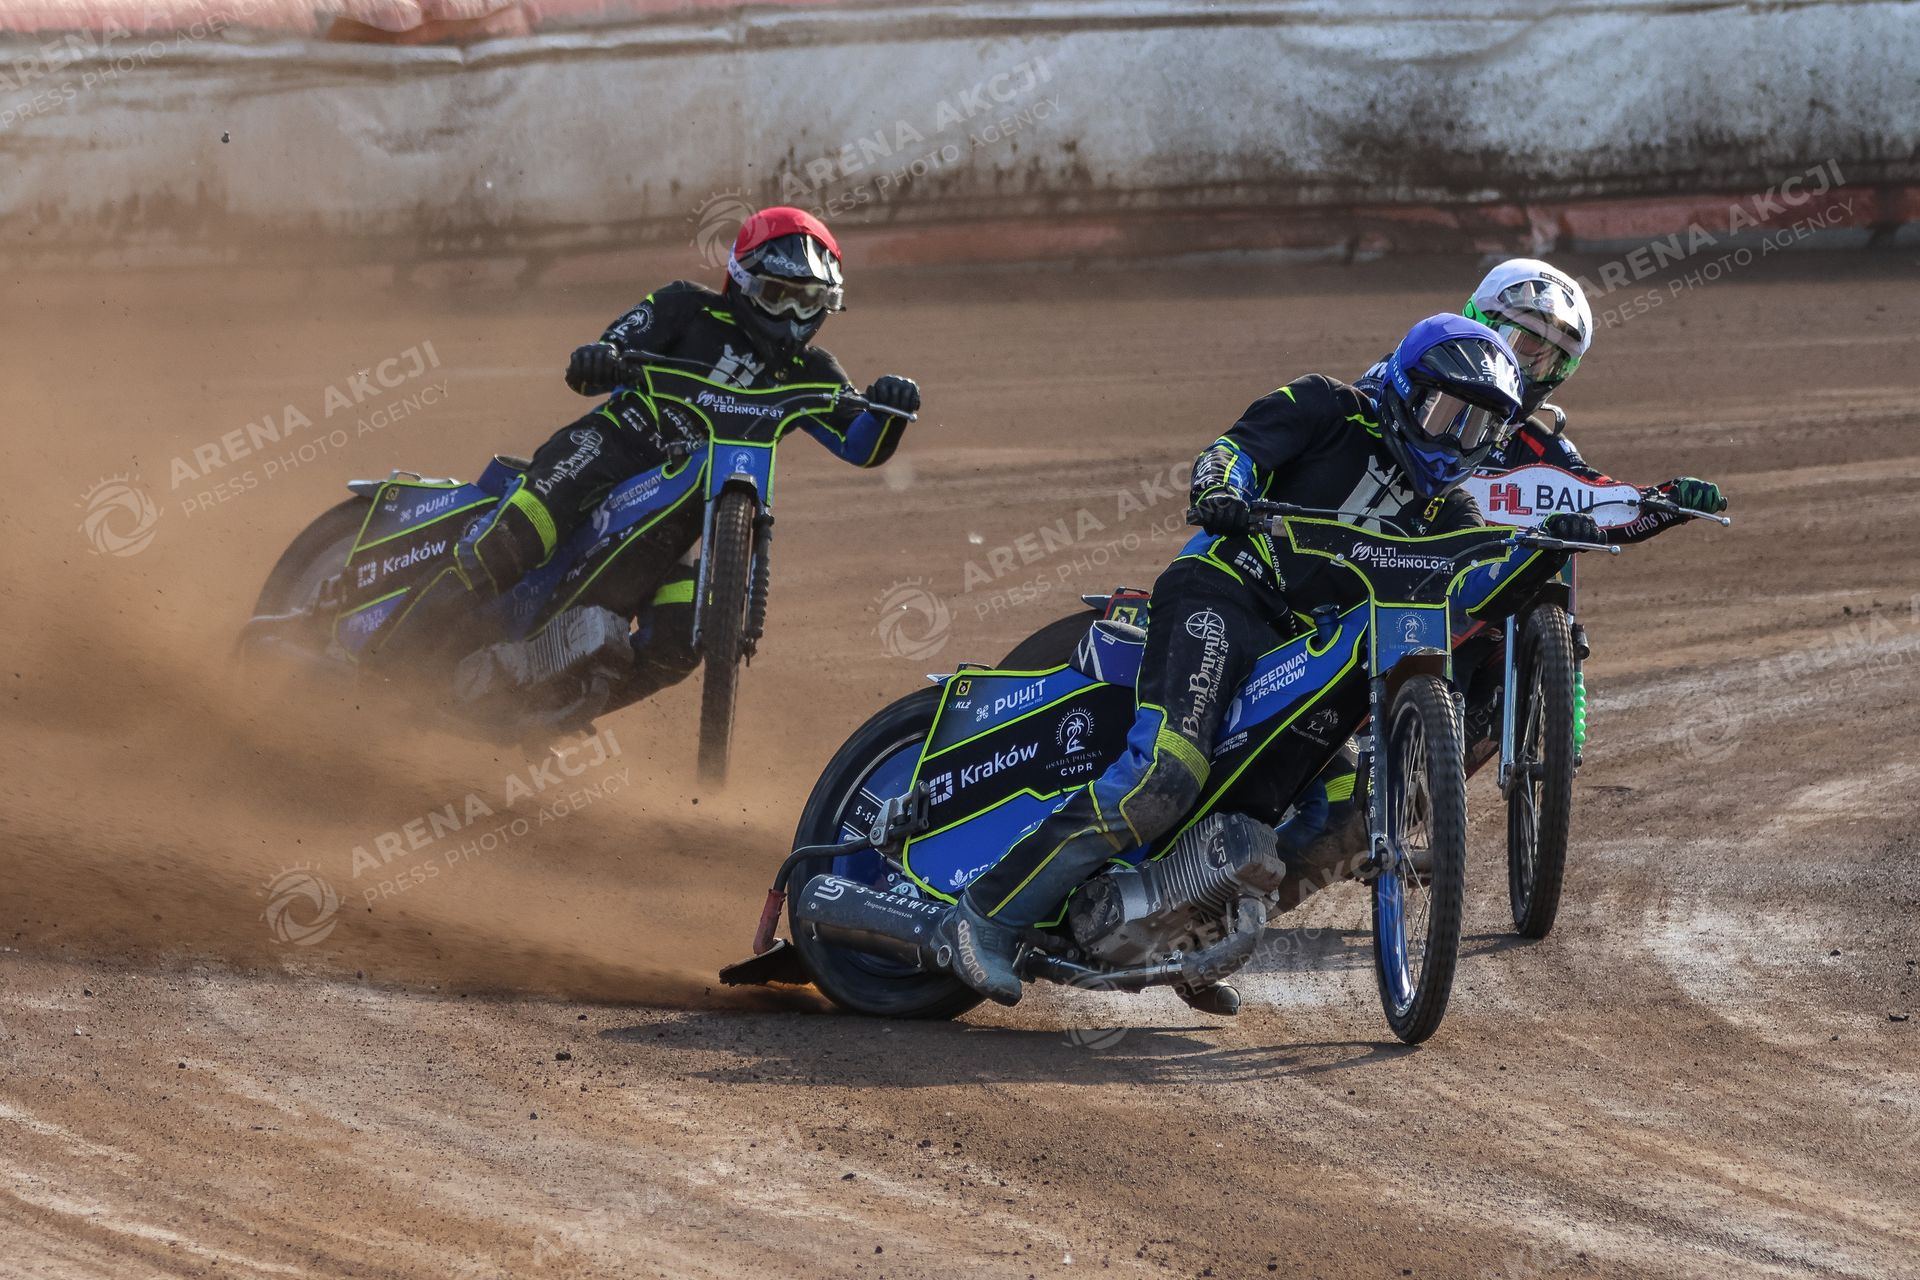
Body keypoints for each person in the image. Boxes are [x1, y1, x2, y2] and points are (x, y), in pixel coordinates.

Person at [932, 313, 1596, 1010]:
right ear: (1405, 386)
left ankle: (1185, 937)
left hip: (1304, 655)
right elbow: (1234, 452)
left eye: (1477, 427)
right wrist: (1221, 491)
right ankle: (984, 915)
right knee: (1165, 776)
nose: (1454, 438)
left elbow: (1476, 591)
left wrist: (1545, 549)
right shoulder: (1328, 407)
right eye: (1445, 413)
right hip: (1225, 594)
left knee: (1349, 817)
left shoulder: (1451, 511)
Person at [374, 206, 921, 707]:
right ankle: (381, 672)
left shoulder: (815, 373)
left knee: (678, 645)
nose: (794, 315)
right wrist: (603, 357)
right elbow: (608, 350)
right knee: (507, 542)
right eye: (779, 295)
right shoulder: (686, 307)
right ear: (742, 281)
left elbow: (862, 445)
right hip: (609, 448)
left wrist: (889, 411)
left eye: (811, 301)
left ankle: (540, 708)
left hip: (682, 515)